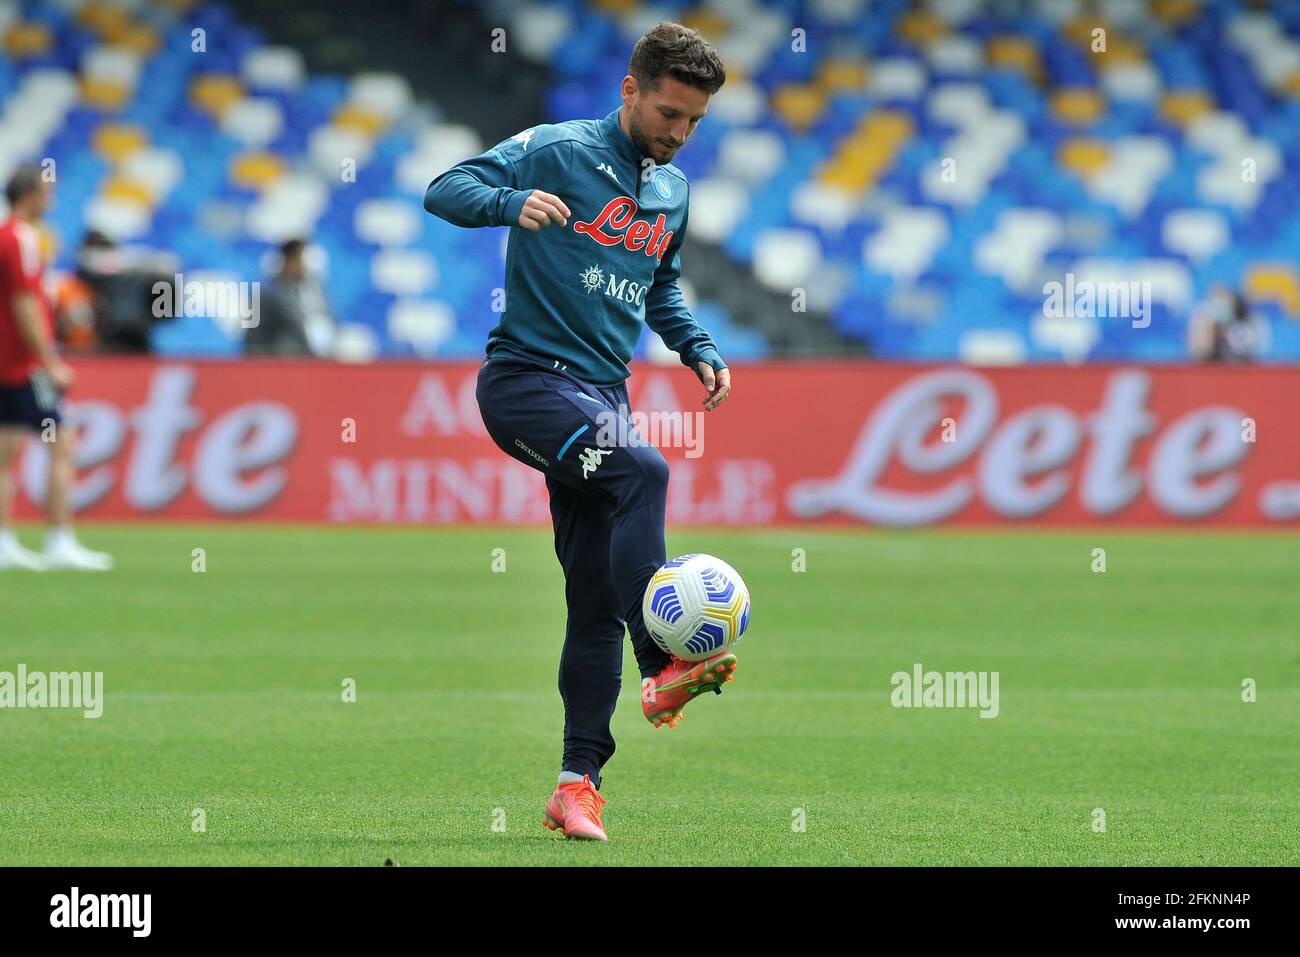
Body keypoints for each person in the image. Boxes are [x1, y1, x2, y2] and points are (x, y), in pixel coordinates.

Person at [424, 21, 733, 841]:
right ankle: (664, 663)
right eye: (669, 112)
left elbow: (658, 283)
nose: (679, 133)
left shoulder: (671, 191)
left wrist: (696, 345)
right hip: (526, 383)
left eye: (694, 121)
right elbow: (444, 188)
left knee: (592, 598)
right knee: (647, 474)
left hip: (603, 396)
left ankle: (577, 784)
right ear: (630, 89)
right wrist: (507, 201)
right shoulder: (555, 148)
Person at [0, 166, 113, 571]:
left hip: (5, 365)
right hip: (26, 366)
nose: (52, 200)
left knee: (5, 451)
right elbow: (25, 304)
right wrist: (49, 361)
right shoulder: (23, 239)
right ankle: (59, 539)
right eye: (47, 192)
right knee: (62, 444)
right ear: (29, 195)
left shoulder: (5, 236)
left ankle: (5, 542)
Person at [244, 239, 334, 357]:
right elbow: (253, 340)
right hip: (282, 364)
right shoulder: (266, 293)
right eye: (302, 259)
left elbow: (330, 321)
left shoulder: (316, 290)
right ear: (289, 260)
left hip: (315, 363)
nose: (306, 266)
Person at [1187, 284, 1269, 362]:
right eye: (1217, 302)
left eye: (1224, 300)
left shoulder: (1250, 319)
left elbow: (1257, 355)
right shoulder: (1204, 319)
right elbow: (1199, 352)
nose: (1220, 306)